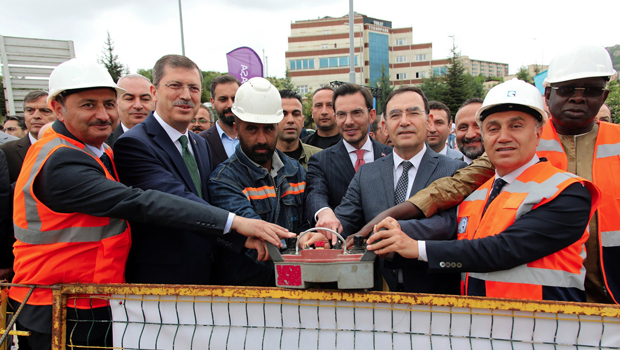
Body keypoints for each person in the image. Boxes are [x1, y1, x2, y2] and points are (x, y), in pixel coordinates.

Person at [8, 58, 292, 349]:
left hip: (97, 297)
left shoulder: (97, 151)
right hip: (57, 303)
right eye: (88, 105)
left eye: (108, 104)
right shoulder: (64, 159)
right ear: (58, 107)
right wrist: (238, 224)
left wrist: (238, 238)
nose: (103, 114)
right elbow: (144, 202)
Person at [364, 45, 620, 304]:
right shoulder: (476, 194)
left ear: (539, 132)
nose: (504, 137)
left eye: (516, 126)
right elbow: (449, 226)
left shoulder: (570, 192)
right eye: (493, 128)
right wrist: (386, 232)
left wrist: (414, 247)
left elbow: (502, 249)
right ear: (483, 135)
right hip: (483, 326)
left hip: (547, 327)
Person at [305, 86, 466, 293]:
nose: (404, 121)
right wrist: (326, 235)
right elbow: (345, 217)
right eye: (396, 115)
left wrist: (393, 230)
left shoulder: (454, 170)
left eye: (413, 113)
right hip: (380, 294)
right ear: (384, 124)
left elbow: (449, 223)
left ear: (428, 122)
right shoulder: (367, 174)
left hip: (436, 294)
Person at [209, 78, 307, 286]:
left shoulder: (296, 171)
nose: (262, 139)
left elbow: (309, 225)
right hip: (248, 297)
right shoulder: (224, 179)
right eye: (252, 129)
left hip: (296, 289)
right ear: (236, 128)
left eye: (269, 129)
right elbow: (258, 233)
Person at [305, 83, 392, 238]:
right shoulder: (321, 161)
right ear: (335, 117)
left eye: (356, 113)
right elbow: (316, 193)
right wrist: (324, 213)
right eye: (341, 114)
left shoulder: (392, 156)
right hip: (342, 247)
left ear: (371, 115)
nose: (349, 121)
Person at [1, 91, 57, 183]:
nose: (36, 116)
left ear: (59, 114)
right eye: (30, 110)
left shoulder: (73, 148)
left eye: (45, 111)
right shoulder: (6, 152)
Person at [198, 74, 241, 170]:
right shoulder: (200, 142)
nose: (230, 105)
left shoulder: (255, 138)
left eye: (235, 99)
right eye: (223, 99)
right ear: (212, 102)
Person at [276, 89, 322, 169]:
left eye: (296, 114)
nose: (290, 120)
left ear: (302, 120)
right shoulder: (262, 159)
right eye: (283, 114)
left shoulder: (321, 158)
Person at [106, 74, 154, 148]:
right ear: (116, 103)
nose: (138, 106)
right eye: (129, 99)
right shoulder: (103, 145)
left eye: (145, 99)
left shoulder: (170, 139)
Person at [454, 98, 484, 164]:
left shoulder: (509, 171)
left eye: (478, 126)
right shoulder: (445, 171)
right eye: (463, 127)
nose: (470, 135)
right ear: (455, 132)